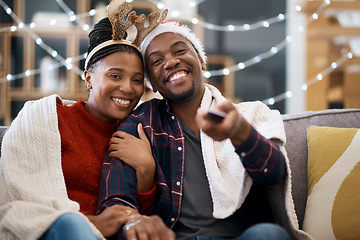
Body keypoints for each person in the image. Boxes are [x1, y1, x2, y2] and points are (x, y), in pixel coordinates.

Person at [98, 21, 293, 239]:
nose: (171, 62)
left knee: (269, 234)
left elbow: (274, 174)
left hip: (240, 236)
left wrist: (241, 134)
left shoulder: (245, 115)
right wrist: (132, 223)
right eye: (156, 61)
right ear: (150, 83)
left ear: (201, 60)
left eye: (179, 51)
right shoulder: (140, 123)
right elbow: (116, 200)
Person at [0, 1, 174, 240]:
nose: (128, 88)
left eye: (136, 80)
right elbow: (24, 198)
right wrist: (93, 223)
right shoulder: (49, 119)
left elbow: (136, 219)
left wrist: (146, 169)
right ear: (89, 77)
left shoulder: (140, 132)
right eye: (115, 75)